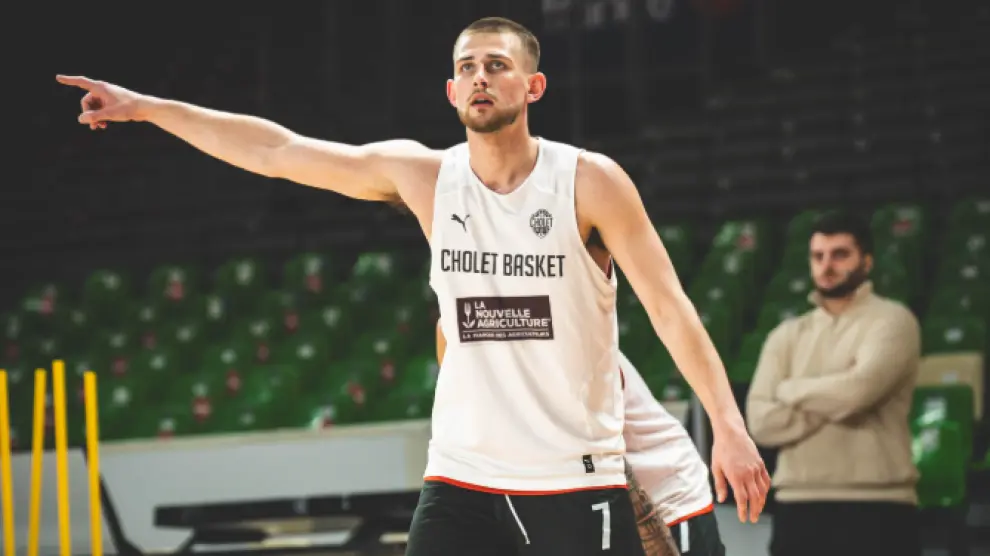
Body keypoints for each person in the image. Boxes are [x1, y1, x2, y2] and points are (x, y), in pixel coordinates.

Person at [58, 16, 768, 555]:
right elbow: (277, 150)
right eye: (468, 67)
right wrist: (149, 107)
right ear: (453, 90)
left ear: (533, 86)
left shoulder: (589, 181)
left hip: (572, 475)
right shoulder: (426, 177)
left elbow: (671, 309)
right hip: (461, 474)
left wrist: (728, 429)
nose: (481, 76)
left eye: (498, 64)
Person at [438, 321, 726, 555]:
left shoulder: (558, 343)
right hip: (599, 500)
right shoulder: (457, 334)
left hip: (666, 496)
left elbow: (605, 463)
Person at [745, 211, 922, 556]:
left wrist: (789, 390)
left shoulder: (892, 321)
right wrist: (838, 396)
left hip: (879, 506)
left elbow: (857, 394)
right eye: (818, 256)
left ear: (866, 261)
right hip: (798, 505)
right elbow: (761, 422)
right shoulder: (786, 335)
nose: (827, 266)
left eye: (840, 254)